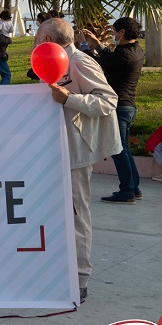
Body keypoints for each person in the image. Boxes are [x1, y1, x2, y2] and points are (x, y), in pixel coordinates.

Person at [35, 18, 120, 304]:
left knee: (76, 215)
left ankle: (80, 279)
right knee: (57, 216)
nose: (35, 42)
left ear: (49, 39)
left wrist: (70, 98)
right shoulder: (51, 59)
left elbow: (108, 101)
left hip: (75, 153)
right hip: (54, 148)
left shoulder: (79, 61)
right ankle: (61, 271)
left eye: (38, 37)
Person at [83, 17, 145, 204]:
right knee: (124, 148)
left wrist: (84, 45)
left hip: (120, 107)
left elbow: (97, 63)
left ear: (122, 32)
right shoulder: (134, 50)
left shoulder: (125, 55)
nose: (112, 34)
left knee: (118, 149)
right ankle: (133, 188)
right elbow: (111, 58)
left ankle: (127, 191)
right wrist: (97, 44)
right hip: (127, 107)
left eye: (114, 30)